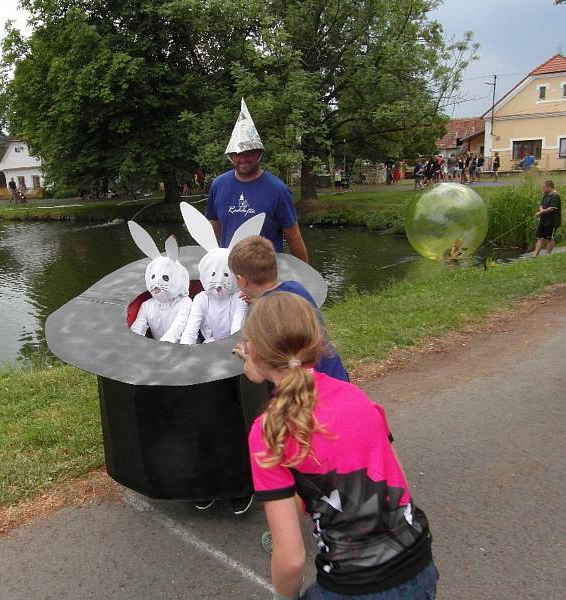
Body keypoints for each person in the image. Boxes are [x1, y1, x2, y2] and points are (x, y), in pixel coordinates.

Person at [242, 292, 436, 600]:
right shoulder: (356, 396)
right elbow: (398, 482)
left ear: (257, 352)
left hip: (354, 586)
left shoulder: (268, 431)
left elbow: (291, 559)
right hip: (419, 566)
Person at [229, 236, 348, 384]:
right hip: (333, 374)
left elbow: (257, 375)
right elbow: (284, 311)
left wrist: (246, 357)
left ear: (243, 280)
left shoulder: (256, 314)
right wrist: (259, 300)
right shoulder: (296, 289)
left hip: (300, 389)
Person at [205, 99, 308, 263]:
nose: (243, 158)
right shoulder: (219, 185)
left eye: (249, 153)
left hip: (265, 277)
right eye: (238, 153)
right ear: (231, 156)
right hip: (227, 271)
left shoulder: (278, 191)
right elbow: (214, 227)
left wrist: (304, 277)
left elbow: (293, 236)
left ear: (259, 154)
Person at [532, 180, 561, 258]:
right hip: (543, 220)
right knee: (540, 237)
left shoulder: (555, 196)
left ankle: (548, 256)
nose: (543, 189)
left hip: (552, 221)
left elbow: (553, 208)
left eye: (544, 187)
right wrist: (540, 210)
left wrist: (541, 212)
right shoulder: (545, 194)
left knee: (549, 238)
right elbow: (541, 205)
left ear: (549, 187)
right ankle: (535, 255)